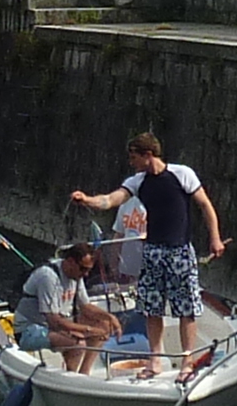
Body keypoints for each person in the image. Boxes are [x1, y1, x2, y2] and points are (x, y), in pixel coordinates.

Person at [86, 132, 222, 352]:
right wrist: (88, 200)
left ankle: (187, 358)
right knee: (152, 309)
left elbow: (205, 205)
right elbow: (111, 200)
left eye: (134, 158)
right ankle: (155, 358)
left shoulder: (182, 174)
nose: (131, 163)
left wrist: (214, 238)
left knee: (186, 309)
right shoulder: (137, 182)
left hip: (180, 251)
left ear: (148, 154)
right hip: (152, 252)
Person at [17, 238, 121, 373]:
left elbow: (85, 306)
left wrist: (110, 317)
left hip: (57, 323)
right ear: (70, 261)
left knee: (104, 325)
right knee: (78, 343)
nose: (86, 274)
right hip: (31, 329)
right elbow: (54, 321)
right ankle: (71, 378)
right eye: (83, 269)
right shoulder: (48, 277)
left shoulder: (76, 276)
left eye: (89, 270)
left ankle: (84, 373)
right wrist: (88, 330)